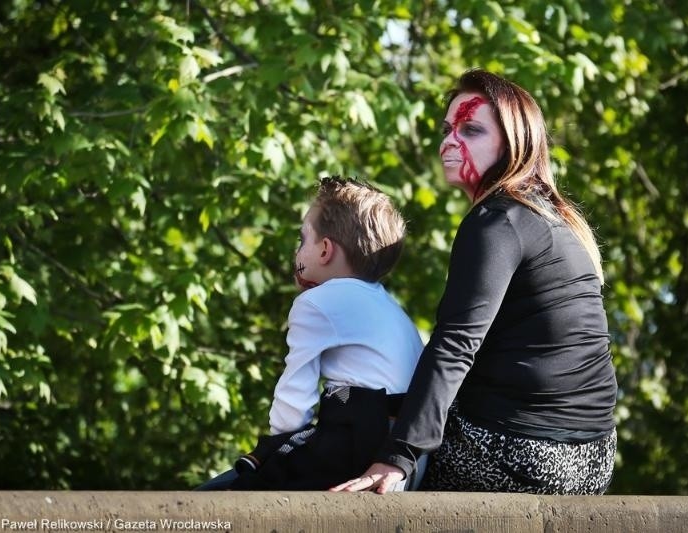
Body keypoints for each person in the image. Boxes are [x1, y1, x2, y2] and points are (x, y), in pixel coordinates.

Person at [331, 69, 617, 494]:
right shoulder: (551, 217)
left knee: (348, 434)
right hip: (594, 459)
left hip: (528, 456)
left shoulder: (498, 220)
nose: (450, 142)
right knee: (382, 409)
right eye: (448, 129)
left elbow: (455, 345)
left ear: (512, 143)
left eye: (471, 129)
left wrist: (397, 458)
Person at [197, 176, 424, 491]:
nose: (298, 251)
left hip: (354, 447)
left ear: (325, 250)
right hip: (403, 460)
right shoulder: (392, 308)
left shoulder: (317, 302)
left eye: (303, 240)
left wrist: (271, 449)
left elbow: (292, 407)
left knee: (224, 493)